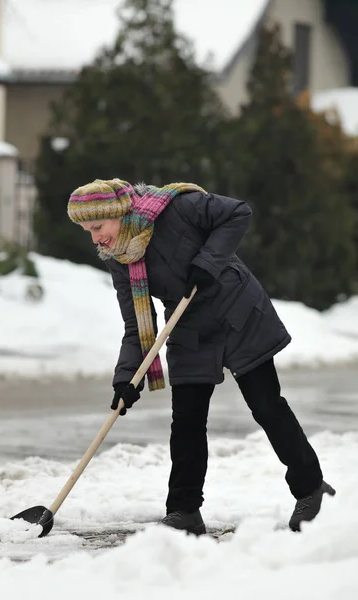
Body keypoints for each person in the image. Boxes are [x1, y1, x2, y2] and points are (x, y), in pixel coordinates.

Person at [67, 178, 335, 534]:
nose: (95, 238)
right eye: (87, 230)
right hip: (188, 323)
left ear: (118, 212)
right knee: (187, 419)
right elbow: (135, 325)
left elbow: (237, 213)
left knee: (266, 405)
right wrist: (126, 378)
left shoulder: (177, 208)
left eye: (97, 227)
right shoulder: (119, 257)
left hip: (236, 310)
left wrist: (208, 262)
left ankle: (312, 489)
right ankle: (184, 511)